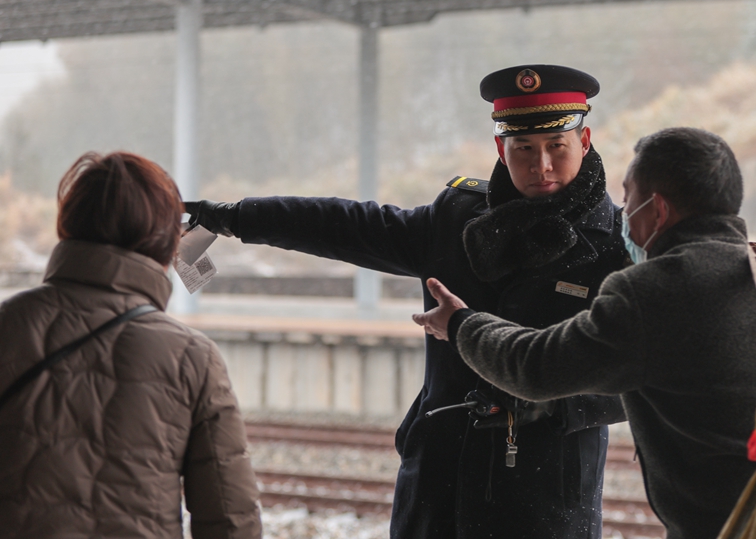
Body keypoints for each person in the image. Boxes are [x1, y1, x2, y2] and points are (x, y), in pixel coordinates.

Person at [185, 65, 631, 538]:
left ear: (583, 143)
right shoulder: (456, 220)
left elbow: (642, 377)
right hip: (438, 483)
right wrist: (234, 219)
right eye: (524, 149)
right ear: (501, 149)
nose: (541, 166)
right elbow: (346, 226)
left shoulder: (618, 248)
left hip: (543, 496)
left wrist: (548, 404)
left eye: (556, 147)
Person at [414, 127, 756, 539]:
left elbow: (533, 368)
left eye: (629, 198)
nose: (625, 212)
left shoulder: (653, 292)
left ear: (659, 209)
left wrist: (459, 322)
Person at [0, 152, 261, 538]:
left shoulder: (8, 325)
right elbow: (229, 520)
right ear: (167, 240)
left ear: (68, 223)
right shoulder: (193, 358)